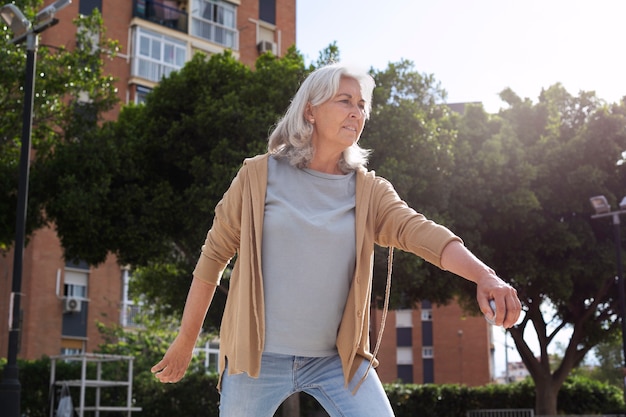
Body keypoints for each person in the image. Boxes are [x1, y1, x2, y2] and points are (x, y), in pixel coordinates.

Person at [151, 63, 522, 416]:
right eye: (345, 101)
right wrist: (186, 342)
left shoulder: (369, 191)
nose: (357, 112)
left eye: (362, 106)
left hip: (336, 361)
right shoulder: (256, 177)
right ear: (310, 111)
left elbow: (418, 230)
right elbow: (212, 258)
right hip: (255, 358)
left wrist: (484, 275)